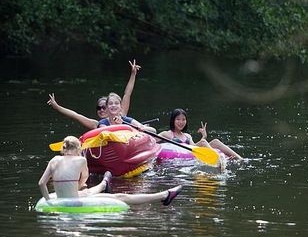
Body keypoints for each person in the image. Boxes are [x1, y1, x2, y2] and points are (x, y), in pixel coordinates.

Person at [38, 136, 182, 205]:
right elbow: (83, 182)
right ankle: (164, 195)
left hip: (61, 199)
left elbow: (41, 184)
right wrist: (79, 185)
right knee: (121, 197)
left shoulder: (53, 160)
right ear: (77, 150)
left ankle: (103, 184)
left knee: (86, 192)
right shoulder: (80, 160)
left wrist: (48, 201)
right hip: (74, 201)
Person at [47, 60, 141, 130]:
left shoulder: (123, 114)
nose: (101, 110)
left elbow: (127, 94)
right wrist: (57, 107)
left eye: (103, 107)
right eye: (99, 108)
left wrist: (133, 74)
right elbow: (75, 115)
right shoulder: (96, 124)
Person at [158, 108, 243, 160]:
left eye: (183, 119)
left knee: (215, 141)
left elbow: (194, 148)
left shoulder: (187, 136)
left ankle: (240, 158)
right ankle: (218, 158)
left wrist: (204, 136)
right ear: (173, 120)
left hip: (190, 153)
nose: (181, 122)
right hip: (179, 155)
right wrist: (144, 128)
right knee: (203, 142)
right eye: (178, 119)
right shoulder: (167, 134)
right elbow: (151, 139)